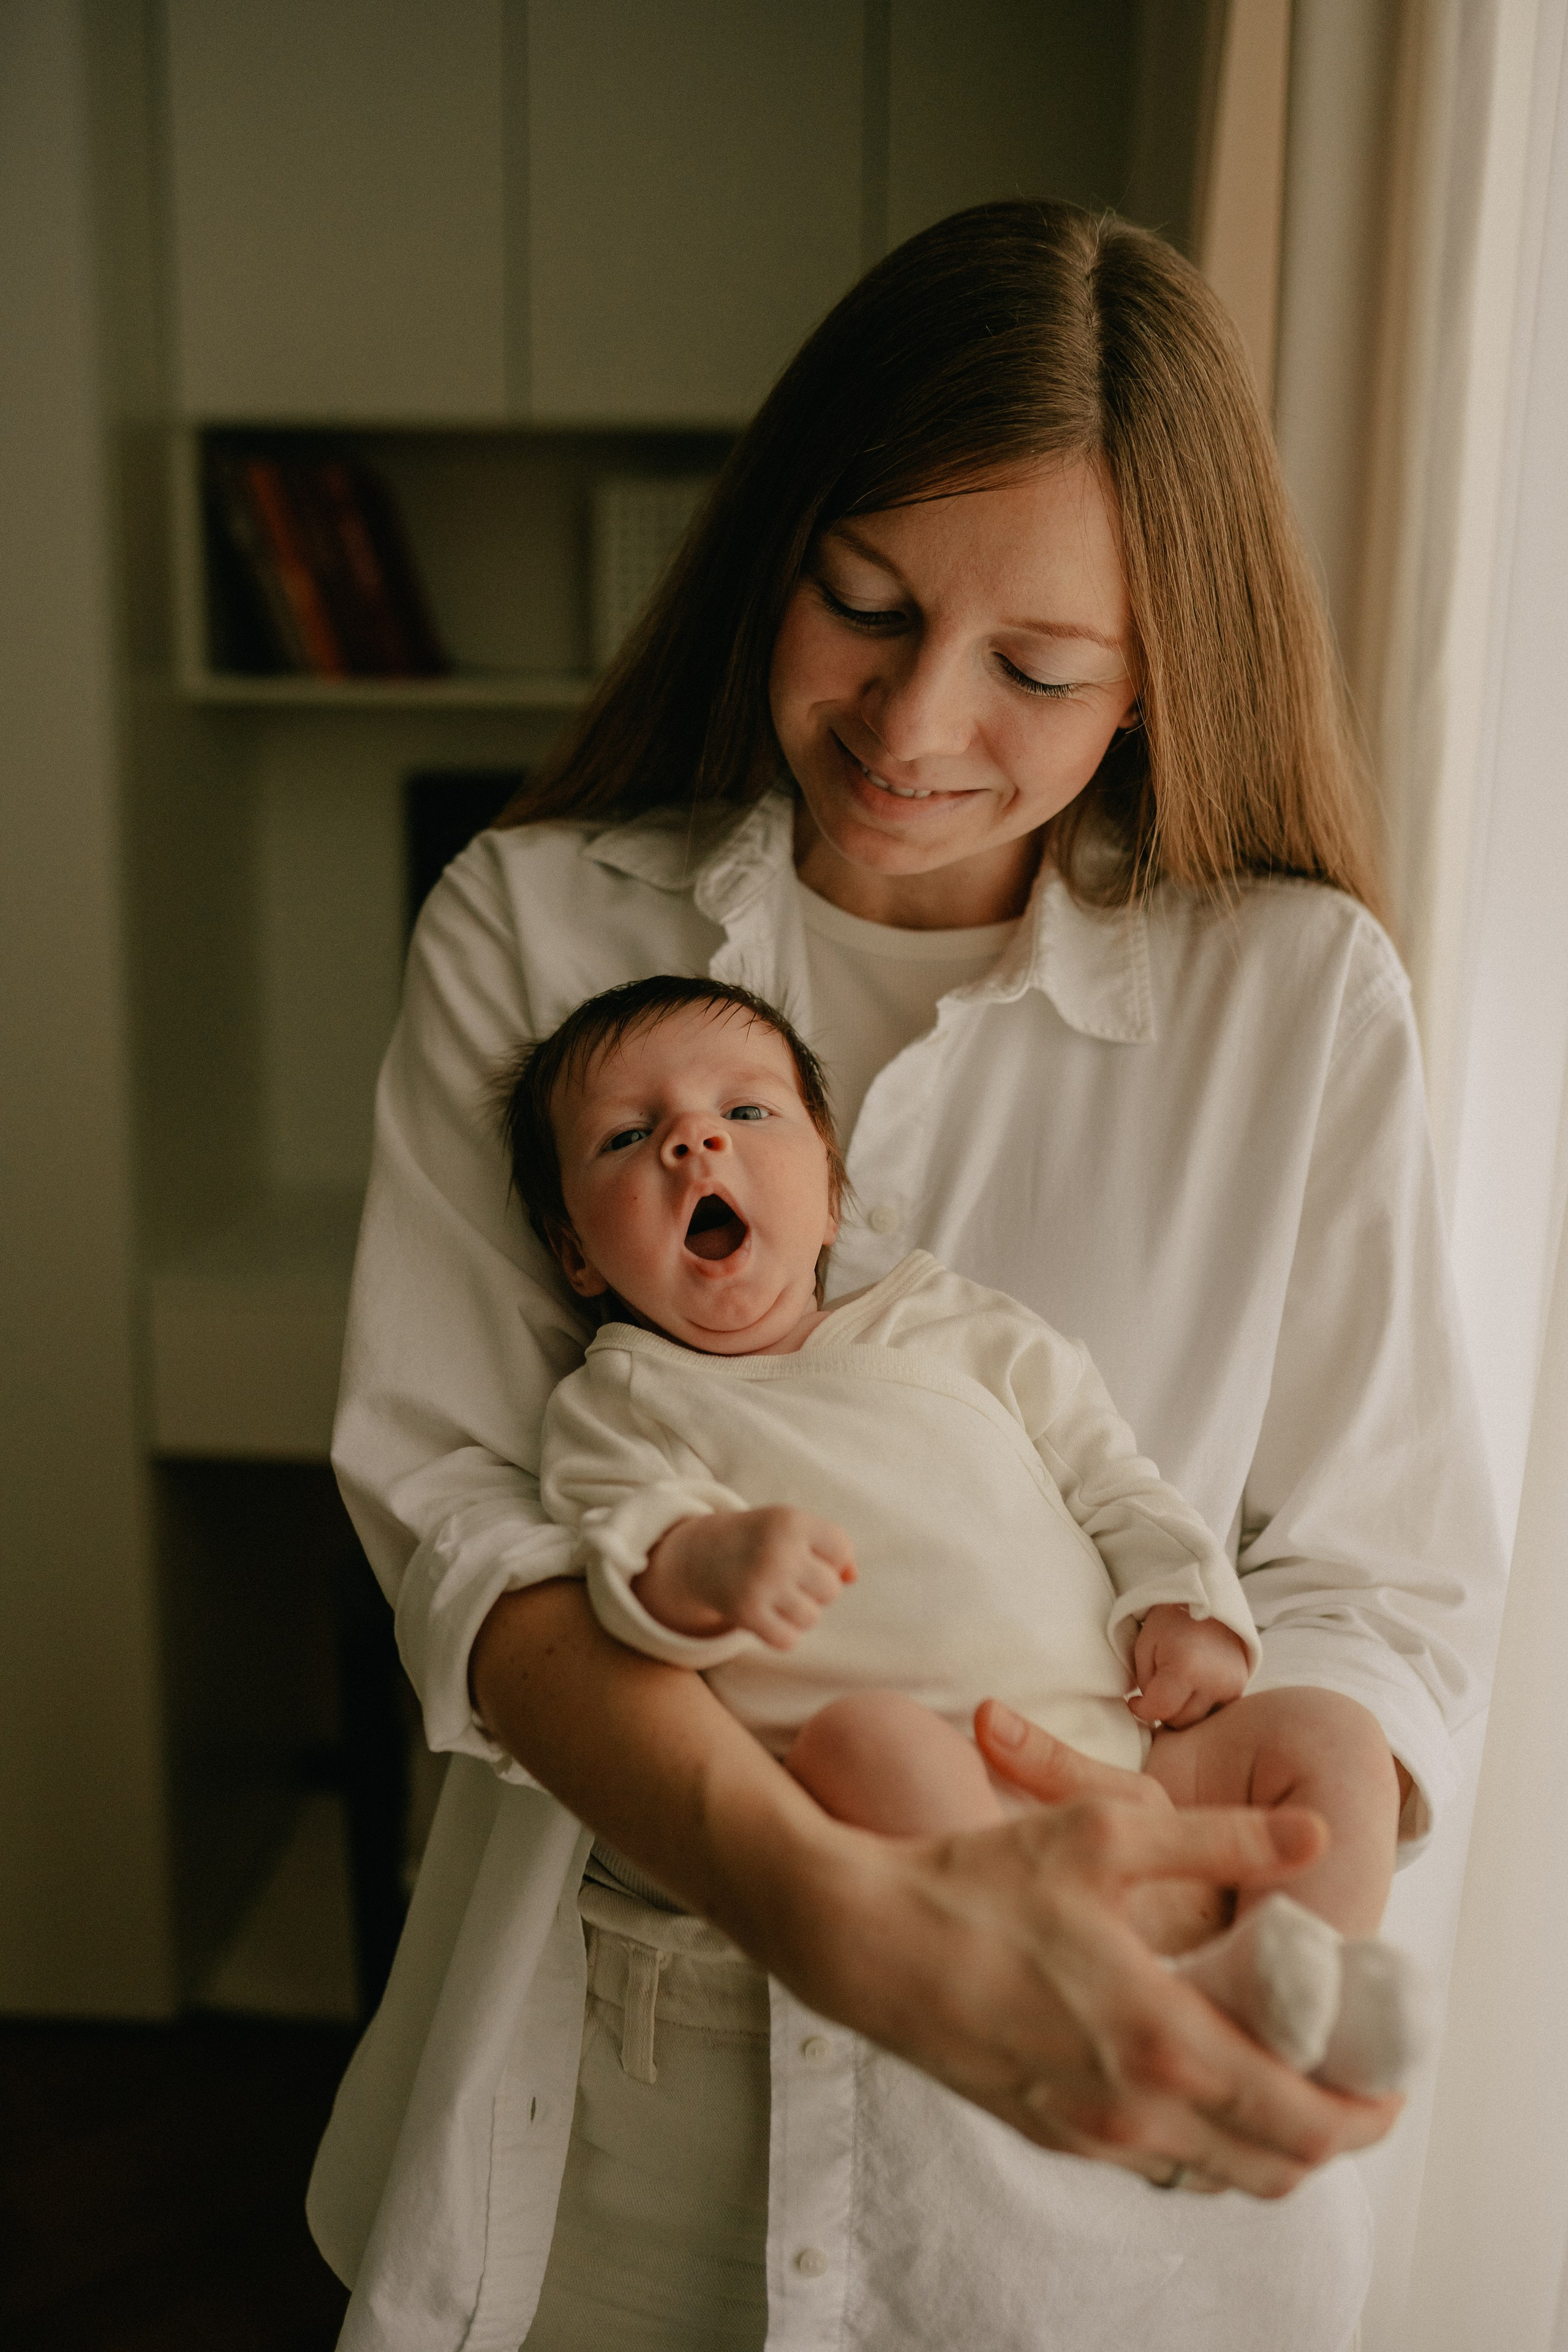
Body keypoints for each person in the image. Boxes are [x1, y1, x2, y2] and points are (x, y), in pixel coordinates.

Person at [307, 200, 1503, 2352]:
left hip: (1103, 2157)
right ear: (779, 540)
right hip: (631, 2097)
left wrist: (1253, 1881)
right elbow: (462, 1521)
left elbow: (1380, 1570)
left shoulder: (1294, 995)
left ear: (1161, 679)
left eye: (1038, 671)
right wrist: (838, 1911)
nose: (912, 720)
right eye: (864, 603)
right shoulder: (537, 931)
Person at [511, 971, 1429, 2094]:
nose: (695, 1144)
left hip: (1132, 1742)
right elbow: (621, 1549)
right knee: (864, 1741)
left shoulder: (955, 1324)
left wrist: (1184, 1601)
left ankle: (1304, 1977)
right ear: (577, 1256)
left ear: (832, 1189)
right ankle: (1131, 2000)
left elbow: (1115, 1478)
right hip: (932, 1797)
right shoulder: (625, 1399)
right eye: (627, 1135)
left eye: (747, 1113)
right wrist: (707, 1562)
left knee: (1332, 1735)